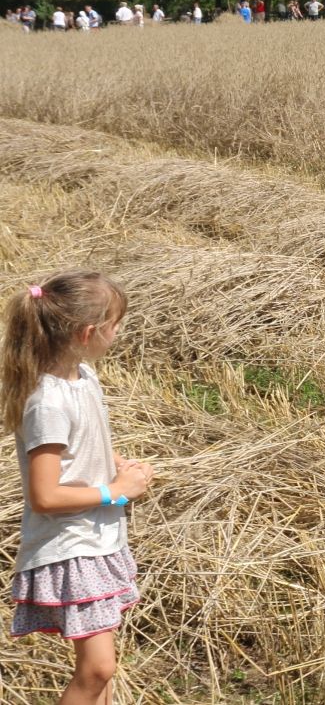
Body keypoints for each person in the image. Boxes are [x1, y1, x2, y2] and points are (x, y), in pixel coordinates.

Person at [4, 270, 155, 705]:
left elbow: (84, 444)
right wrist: (115, 490)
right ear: (88, 332)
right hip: (70, 547)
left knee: (101, 673)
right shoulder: (47, 402)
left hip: (98, 538)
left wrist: (115, 464)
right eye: (115, 324)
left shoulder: (83, 377)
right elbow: (45, 496)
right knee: (97, 668)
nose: (119, 332)